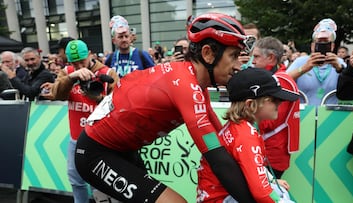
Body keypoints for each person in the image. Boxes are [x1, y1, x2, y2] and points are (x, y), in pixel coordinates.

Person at [74, 13, 257, 203]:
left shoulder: (195, 85)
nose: (238, 65)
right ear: (208, 54)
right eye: (234, 56)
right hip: (96, 153)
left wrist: (264, 182)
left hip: (122, 151)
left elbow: (221, 142)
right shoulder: (186, 86)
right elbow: (217, 159)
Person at [197, 68, 298, 203]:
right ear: (250, 104)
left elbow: (247, 171)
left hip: (217, 197)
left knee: (280, 191)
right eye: (273, 99)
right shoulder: (245, 134)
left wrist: (272, 182)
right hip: (223, 199)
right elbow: (262, 194)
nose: (280, 103)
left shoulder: (238, 126)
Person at [41, 39, 119, 203]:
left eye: (81, 62)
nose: (78, 66)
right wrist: (71, 78)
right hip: (75, 138)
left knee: (99, 184)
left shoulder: (108, 72)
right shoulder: (68, 71)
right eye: (73, 63)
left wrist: (98, 99)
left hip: (99, 141)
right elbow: (57, 94)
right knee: (76, 181)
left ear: (90, 54)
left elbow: (119, 107)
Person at [251, 36, 300, 178]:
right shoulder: (277, 78)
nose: (252, 61)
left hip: (271, 153)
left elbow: (270, 119)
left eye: (256, 57)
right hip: (270, 150)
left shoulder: (280, 81)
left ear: (271, 58)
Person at [286, 18, 346, 105]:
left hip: (331, 115)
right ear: (312, 46)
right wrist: (304, 68)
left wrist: (340, 69)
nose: (323, 45)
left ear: (332, 46)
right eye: (319, 42)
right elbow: (283, 80)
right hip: (304, 114)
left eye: (326, 42)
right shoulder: (301, 61)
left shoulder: (339, 62)